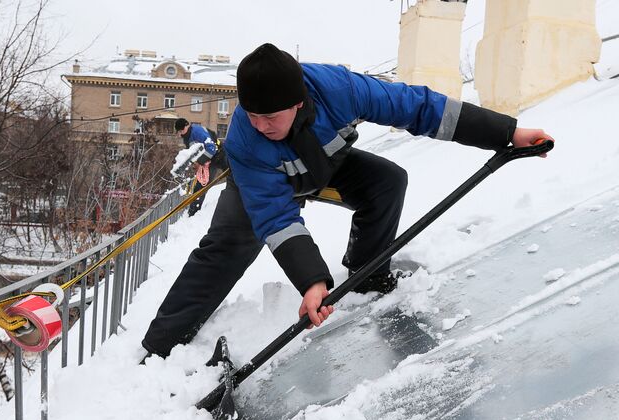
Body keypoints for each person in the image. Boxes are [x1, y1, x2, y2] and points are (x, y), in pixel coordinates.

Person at [142, 43, 553, 359]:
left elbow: (421, 107)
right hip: (265, 182)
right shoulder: (246, 140)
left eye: (271, 117)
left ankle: (367, 275)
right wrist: (312, 280)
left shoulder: (341, 90)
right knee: (228, 245)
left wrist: (506, 133)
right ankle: (161, 347)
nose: (260, 125)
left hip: (325, 167)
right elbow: (277, 217)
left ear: (299, 101)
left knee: (387, 182)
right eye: (252, 115)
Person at [174, 118, 228, 216]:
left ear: (187, 126)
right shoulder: (187, 137)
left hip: (220, 155)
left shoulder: (197, 132)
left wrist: (199, 161)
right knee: (201, 186)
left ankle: (240, 198)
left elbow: (211, 148)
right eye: (179, 132)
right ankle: (193, 213)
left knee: (232, 175)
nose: (180, 134)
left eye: (182, 131)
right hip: (208, 161)